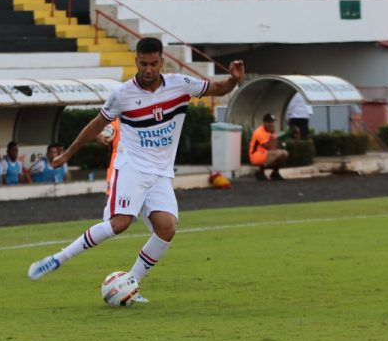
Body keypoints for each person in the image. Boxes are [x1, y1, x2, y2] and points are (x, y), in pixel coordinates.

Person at [27, 37, 245, 302]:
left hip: (161, 173)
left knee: (167, 228)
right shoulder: (123, 94)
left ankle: (131, 284)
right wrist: (69, 153)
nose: (149, 69)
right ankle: (57, 259)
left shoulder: (181, 85)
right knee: (120, 223)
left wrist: (233, 79)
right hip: (131, 167)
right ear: (136, 62)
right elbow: (96, 125)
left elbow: (220, 88)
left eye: (154, 64)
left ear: (162, 62)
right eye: (144, 64)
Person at [249, 113, 290, 181]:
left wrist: (272, 134)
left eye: (272, 122)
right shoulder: (259, 132)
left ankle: (275, 173)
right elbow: (271, 148)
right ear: (265, 122)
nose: (271, 124)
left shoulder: (271, 131)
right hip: (256, 155)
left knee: (285, 153)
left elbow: (275, 146)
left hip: (265, 154)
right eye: (269, 122)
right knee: (278, 153)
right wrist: (272, 134)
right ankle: (260, 172)